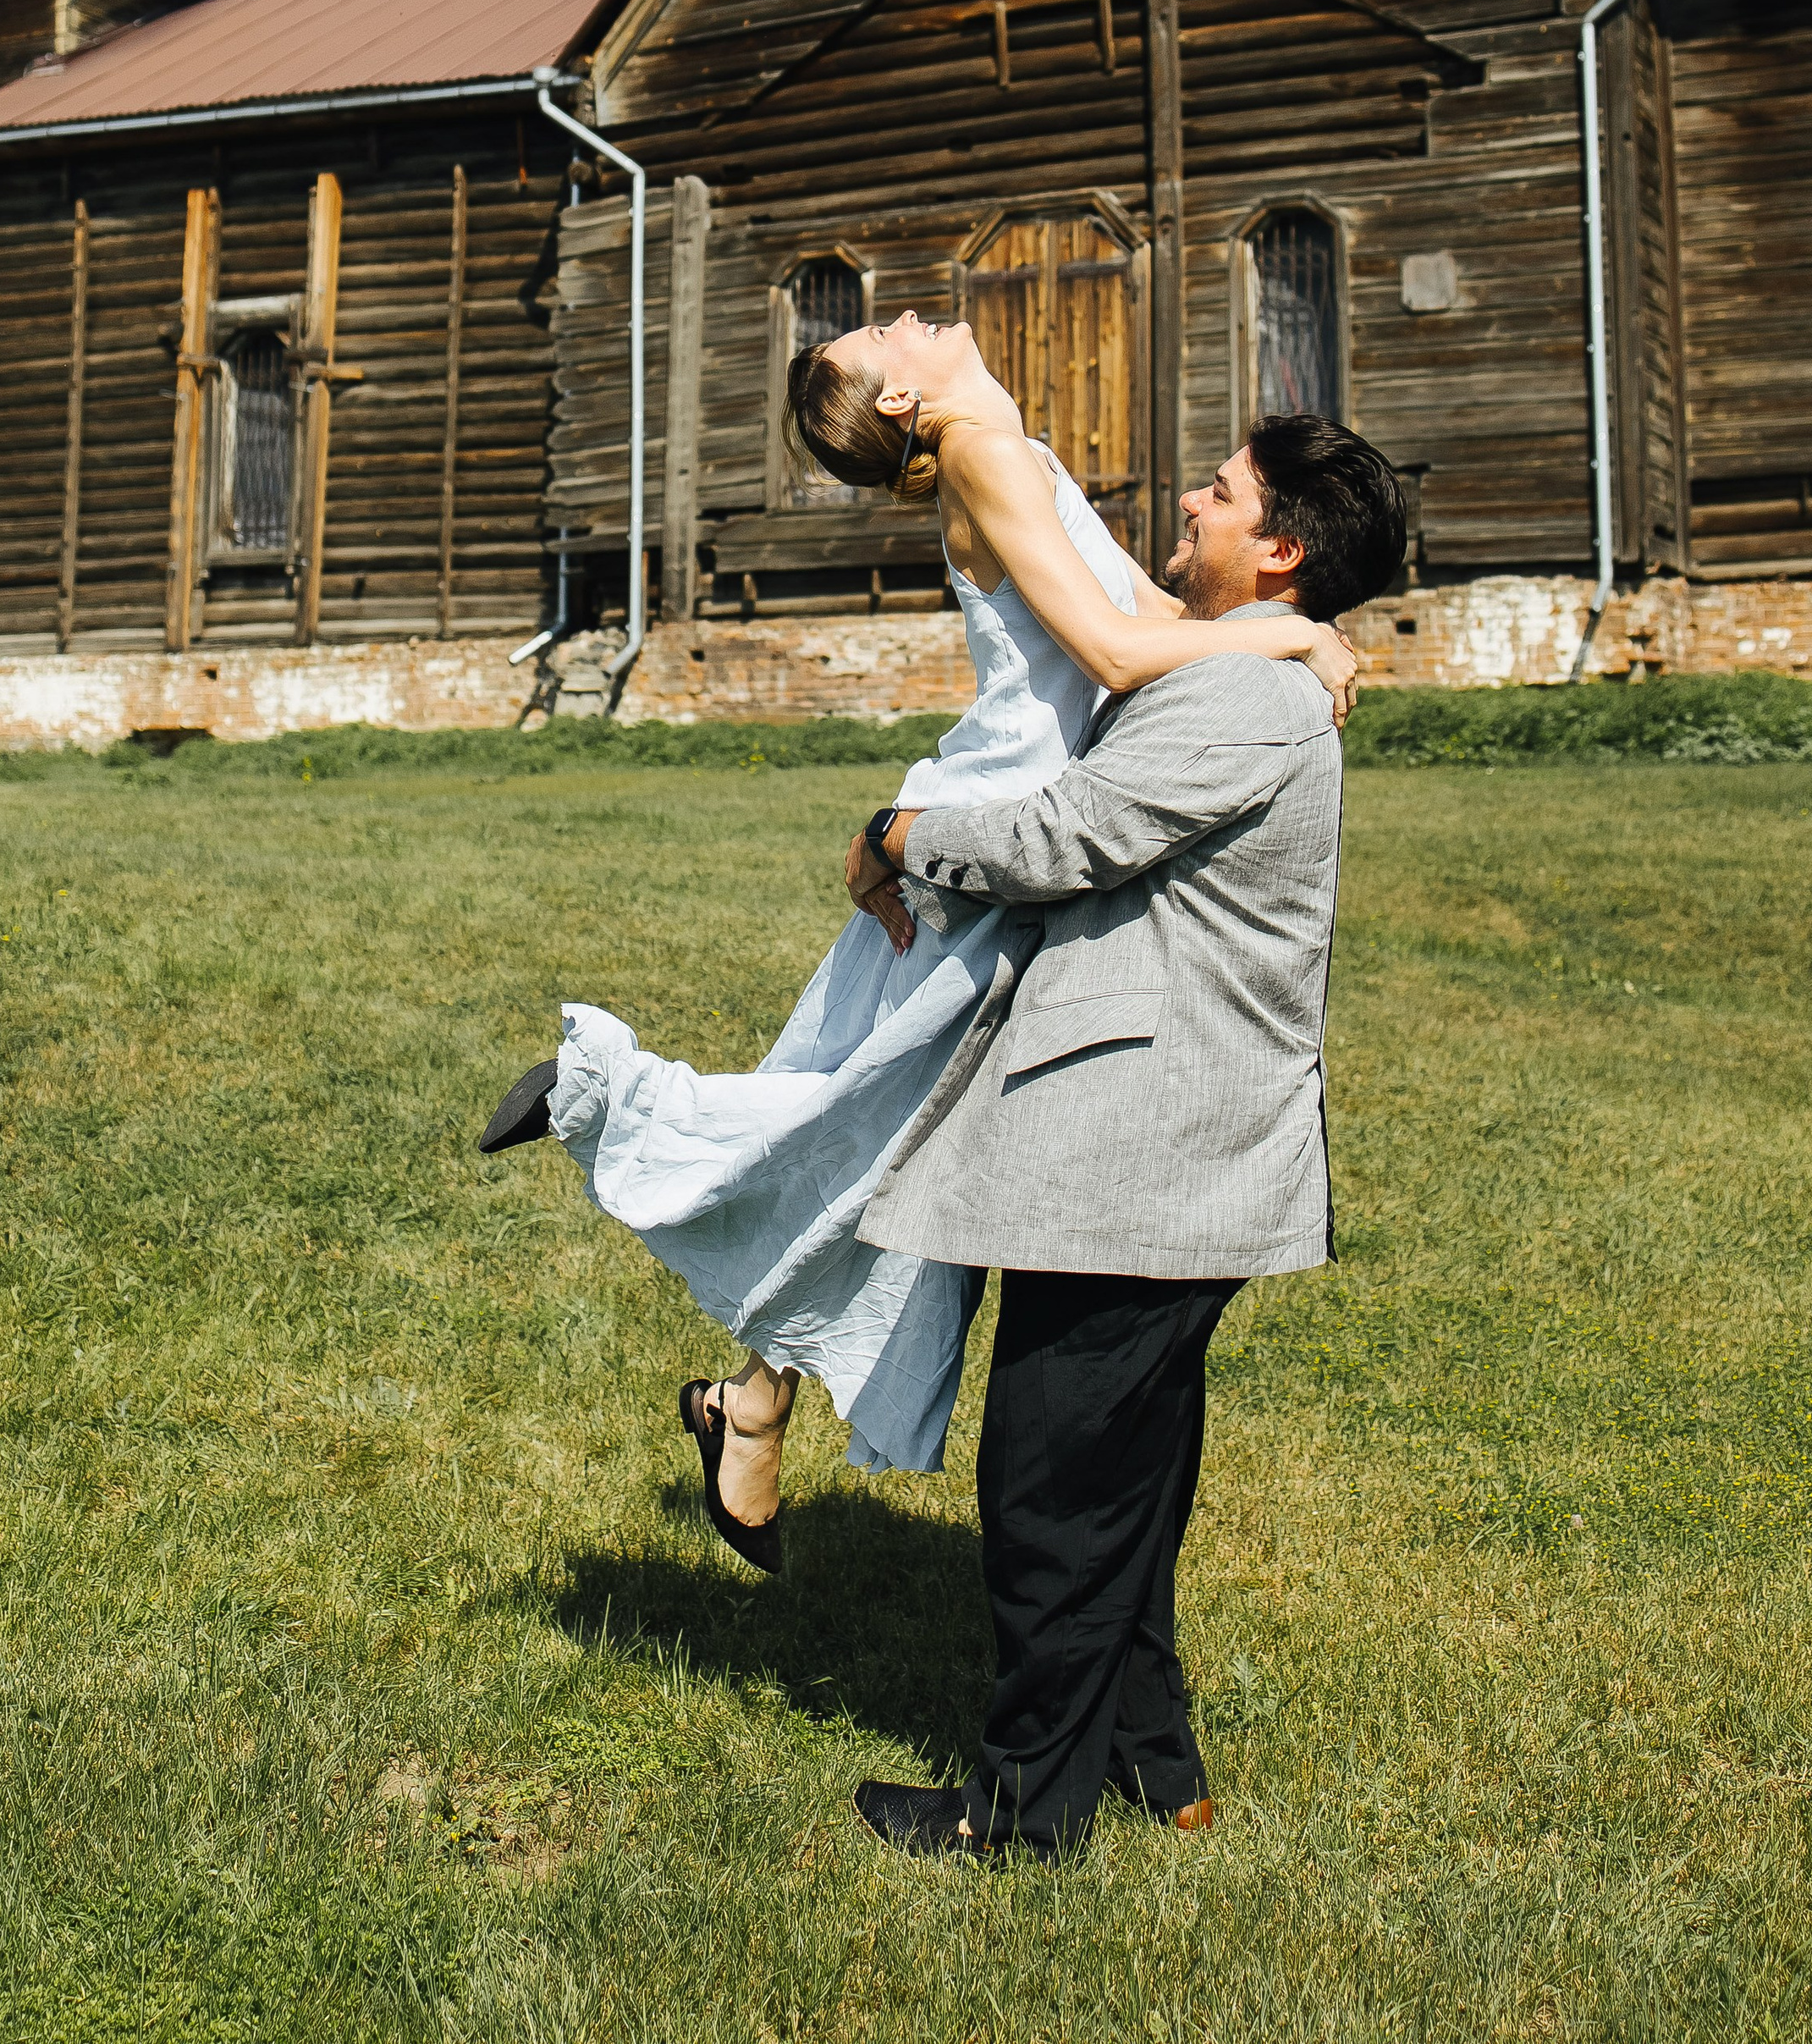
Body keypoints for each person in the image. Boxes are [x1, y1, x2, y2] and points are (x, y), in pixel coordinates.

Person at [476, 311, 1358, 1574]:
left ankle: (755, 1401)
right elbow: (1117, 654)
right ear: (900, 400)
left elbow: (1139, 624)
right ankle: (601, 1096)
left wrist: (1269, 620)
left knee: (893, 1132)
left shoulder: (1007, 447)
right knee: (868, 1119)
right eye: (878, 332)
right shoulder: (987, 459)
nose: (906, 316)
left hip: (1017, 831)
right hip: (1001, 834)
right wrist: (1290, 630)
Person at [844, 411, 1411, 1860]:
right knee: (1123, 1493)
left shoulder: (1245, 703)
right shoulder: (1252, 667)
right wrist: (1311, 641)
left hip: (1148, 1157)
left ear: (1279, 550)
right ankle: (1162, 1768)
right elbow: (1112, 624)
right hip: (1160, 1155)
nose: (1192, 501)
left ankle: (1022, 1820)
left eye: (1221, 494)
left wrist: (903, 833)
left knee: (1052, 1497)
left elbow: (1063, 841)